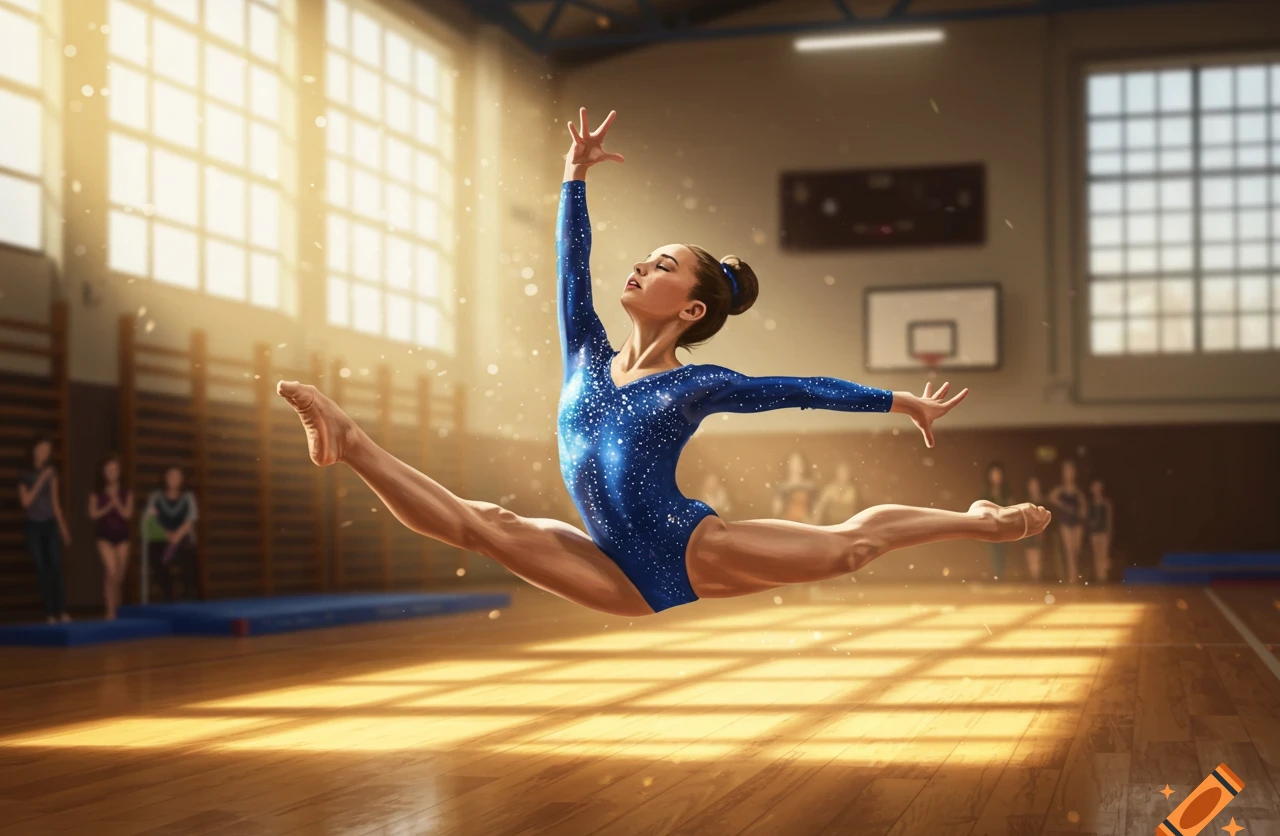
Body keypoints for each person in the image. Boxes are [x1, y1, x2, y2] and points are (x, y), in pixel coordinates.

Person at [277, 107, 1050, 617]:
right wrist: (573, 177)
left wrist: (897, 404)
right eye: (644, 260)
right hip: (615, 572)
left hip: (687, 549)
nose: (641, 268)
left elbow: (796, 390)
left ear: (691, 310)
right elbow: (570, 267)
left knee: (850, 546)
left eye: (663, 266)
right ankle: (353, 440)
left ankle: (975, 523)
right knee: (485, 527)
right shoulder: (585, 351)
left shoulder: (696, 384)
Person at [16, 435, 70, 623]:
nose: (45, 452)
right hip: (33, 525)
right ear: (34, 449)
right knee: (41, 567)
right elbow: (26, 502)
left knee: (56, 566)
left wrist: (63, 528)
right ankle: (49, 613)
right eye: (42, 448)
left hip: (50, 524)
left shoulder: (52, 472)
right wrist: (41, 480)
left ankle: (62, 610)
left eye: (48, 449)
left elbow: (55, 503)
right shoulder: (24, 473)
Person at [143, 466, 199, 602]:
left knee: (188, 559)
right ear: (165, 478)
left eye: (177, 476)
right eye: (170, 476)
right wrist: (166, 534)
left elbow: (191, 518)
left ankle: (188, 598)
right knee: (157, 557)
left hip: (182, 539)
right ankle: (168, 597)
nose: (173, 479)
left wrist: (177, 536)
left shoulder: (188, 497)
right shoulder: (156, 497)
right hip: (162, 539)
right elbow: (150, 518)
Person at [89, 454, 133, 620]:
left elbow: (128, 514)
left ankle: (117, 607)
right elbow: (92, 514)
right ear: (103, 472)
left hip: (123, 537)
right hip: (104, 537)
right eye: (108, 469)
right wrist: (108, 506)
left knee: (118, 576)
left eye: (114, 469)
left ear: (119, 471)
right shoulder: (96, 492)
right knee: (111, 570)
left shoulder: (126, 492)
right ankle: (110, 611)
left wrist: (118, 504)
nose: (111, 472)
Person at [1049, 459, 1087, 584]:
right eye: (1065, 470)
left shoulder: (1077, 490)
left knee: (1076, 549)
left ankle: (1075, 575)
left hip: (1076, 522)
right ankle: (1073, 578)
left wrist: (1081, 512)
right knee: (1069, 550)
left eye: (1070, 470)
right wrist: (1064, 507)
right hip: (1065, 522)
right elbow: (1051, 497)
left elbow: (1083, 505)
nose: (1068, 473)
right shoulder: (1060, 489)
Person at [982, 462, 1010, 580]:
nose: (996, 477)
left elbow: (1010, 507)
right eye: (994, 474)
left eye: (998, 474)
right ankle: (994, 576)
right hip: (990, 528)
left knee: (1002, 552)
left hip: (1004, 527)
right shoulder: (986, 492)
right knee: (992, 552)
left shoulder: (1006, 491)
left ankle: (1001, 576)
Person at [772, 451, 817, 523]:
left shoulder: (810, 487)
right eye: (793, 463)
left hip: (804, 525)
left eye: (799, 463)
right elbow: (776, 511)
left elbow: (815, 511)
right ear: (788, 466)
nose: (796, 467)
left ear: (803, 466)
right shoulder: (782, 488)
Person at [813, 462, 858, 527]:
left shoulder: (852, 491)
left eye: (845, 473)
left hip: (847, 524)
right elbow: (820, 506)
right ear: (837, 474)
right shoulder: (829, 489)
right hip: (831, 525)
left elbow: (852, 510)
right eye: (841, 473)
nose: (843, 476)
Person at [1087, 479, 1113, 583]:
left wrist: (1109, 533)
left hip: (1103, 533)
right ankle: (1099, 577)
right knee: (1096, 555)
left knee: (1104, 555)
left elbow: (1109, 519)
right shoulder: (1090, 504)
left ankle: (1103, 576)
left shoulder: (1106, 503)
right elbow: (1087, 518)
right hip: (1094, 533)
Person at [1023, 476, 1046, 582]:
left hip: (1039, 530)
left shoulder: (1042, 500)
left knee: (1038, 553)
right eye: (1031, 485)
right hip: (1029, 530)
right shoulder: (1026, 501)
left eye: (1035, 485)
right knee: (1030, 553)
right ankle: (1033, 576)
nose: (1033, 487)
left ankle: (1037, 576)